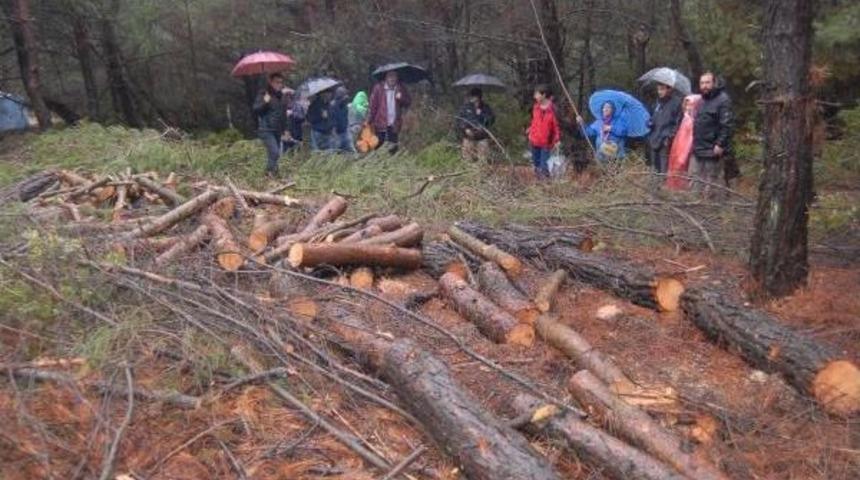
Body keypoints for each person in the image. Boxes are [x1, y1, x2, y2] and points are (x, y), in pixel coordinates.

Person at [691, 72, 734, 196]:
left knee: (712, 185)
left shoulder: (723, 100)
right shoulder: (701, 101)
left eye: (707, 82)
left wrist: (720, 144)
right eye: (702, 83)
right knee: (696, 185)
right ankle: (696, 210)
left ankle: (716, 212)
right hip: (698, 148)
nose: (704, 86)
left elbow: (727, 125)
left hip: (713, 149)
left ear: (714, 83)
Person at [252, 73, 289, 177]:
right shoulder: (264, 94)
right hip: (266, 129)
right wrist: (265, 102)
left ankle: (274, 174)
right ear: (271, 82)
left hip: (277, 129)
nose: (279, 85)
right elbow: (256, 109)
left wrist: (285, 129)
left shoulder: (281, 97)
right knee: (275, 152)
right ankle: (268, 173)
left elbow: (283, 115)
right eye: (277, 82)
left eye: (281, 82)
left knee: (274, 155)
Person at [368, 70, 411, 153]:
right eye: (390, 76)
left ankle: (392, 163)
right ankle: (379, 164)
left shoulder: (400, 88)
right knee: (379, 145)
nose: (392, 79)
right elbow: (373, 106)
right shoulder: (378, 88)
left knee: (393, 146)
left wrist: (401, 98)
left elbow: (408, 103)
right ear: (386, 78)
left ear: (397, 78)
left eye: (394, 76)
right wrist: (369, 121)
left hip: (394, 123)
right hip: (380, 122)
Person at [666, 94, 702, 190]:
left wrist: (683, 156)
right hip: (677, 150)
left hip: (685, 153)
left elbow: (689, 141)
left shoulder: (693, 121)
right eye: (686, 105)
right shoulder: (685, 118)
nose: (687, 107)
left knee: (684, 174)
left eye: (690, 105)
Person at [526, 84, 561, 179]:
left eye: (537, 94)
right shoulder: (535, 107)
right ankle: (539, 185)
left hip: (546, 143)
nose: (534, 97)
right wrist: (530, 130)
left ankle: (545, 185)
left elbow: (556, 126)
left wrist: (557, 140)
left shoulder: (553, 109)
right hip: (534, 140)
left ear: (544, 95)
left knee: (544, 166)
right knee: (536, 164)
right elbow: (534, 121)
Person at [647, 83, 682, 175]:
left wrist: (670, 136)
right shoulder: (657, 103)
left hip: (666, 140)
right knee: (654, 168)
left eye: (662, 89)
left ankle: (664, 188)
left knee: (664, 168)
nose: (660, 92)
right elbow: (652, 118)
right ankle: (653, 188)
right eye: (658, 89)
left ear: (669, 89)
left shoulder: (676, 103)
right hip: (654, 138)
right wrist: (649, 123)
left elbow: (678, 123)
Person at [457, 87, 495, 162]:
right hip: (468, 136)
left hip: (482, 137)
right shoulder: (465, 107)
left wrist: (483, 121)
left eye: (475, 96)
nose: (473, 98)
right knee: (467, 160)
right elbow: (459, 120)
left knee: (483, 160)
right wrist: (465, 129)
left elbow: (491, 119)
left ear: (479, 97)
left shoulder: (486, 107)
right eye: (472, 96)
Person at [330, 86, 354, 152]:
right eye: (344, 96)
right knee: (336, 152)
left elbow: (346, 118)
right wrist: (334, 135)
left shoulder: (345, 106)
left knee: (351, 152)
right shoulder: (332, 106)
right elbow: (332, 121)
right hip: (336, 134)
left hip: (345, 132)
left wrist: (348, 129)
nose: (346, 98)